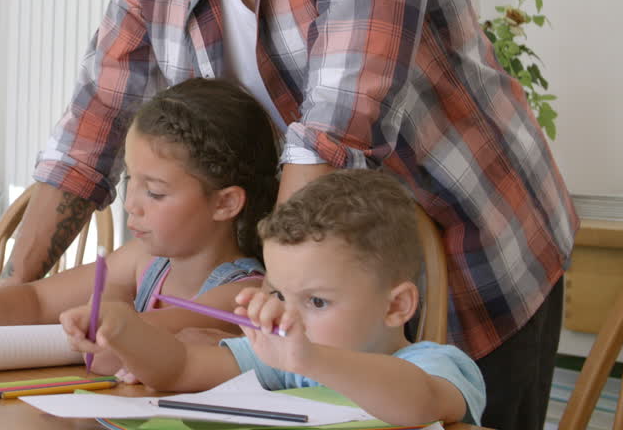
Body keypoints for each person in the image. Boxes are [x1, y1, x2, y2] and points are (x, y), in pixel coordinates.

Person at [0, 0, 575, 430]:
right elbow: (94, 119)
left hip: (470, 247)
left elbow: (331, 134)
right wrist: (14, 292)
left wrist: (260, 304)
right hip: (310, 293)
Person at [0, 78, 279, 376]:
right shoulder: (143, 259)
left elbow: (116, 347)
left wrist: (111, 315)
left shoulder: (243, 295)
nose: (131, 203)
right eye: (130, 180)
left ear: (226, 203)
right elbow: (36, 300)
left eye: (154, 192)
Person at [61, 169, 486, 427]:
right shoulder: (288, 359)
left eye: (317, 302)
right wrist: (122, 329)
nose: (288, 315)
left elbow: (419, 404)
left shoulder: (436, 366)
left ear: (396, 306)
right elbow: (181, 367)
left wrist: (307, 359)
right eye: (280, 293)